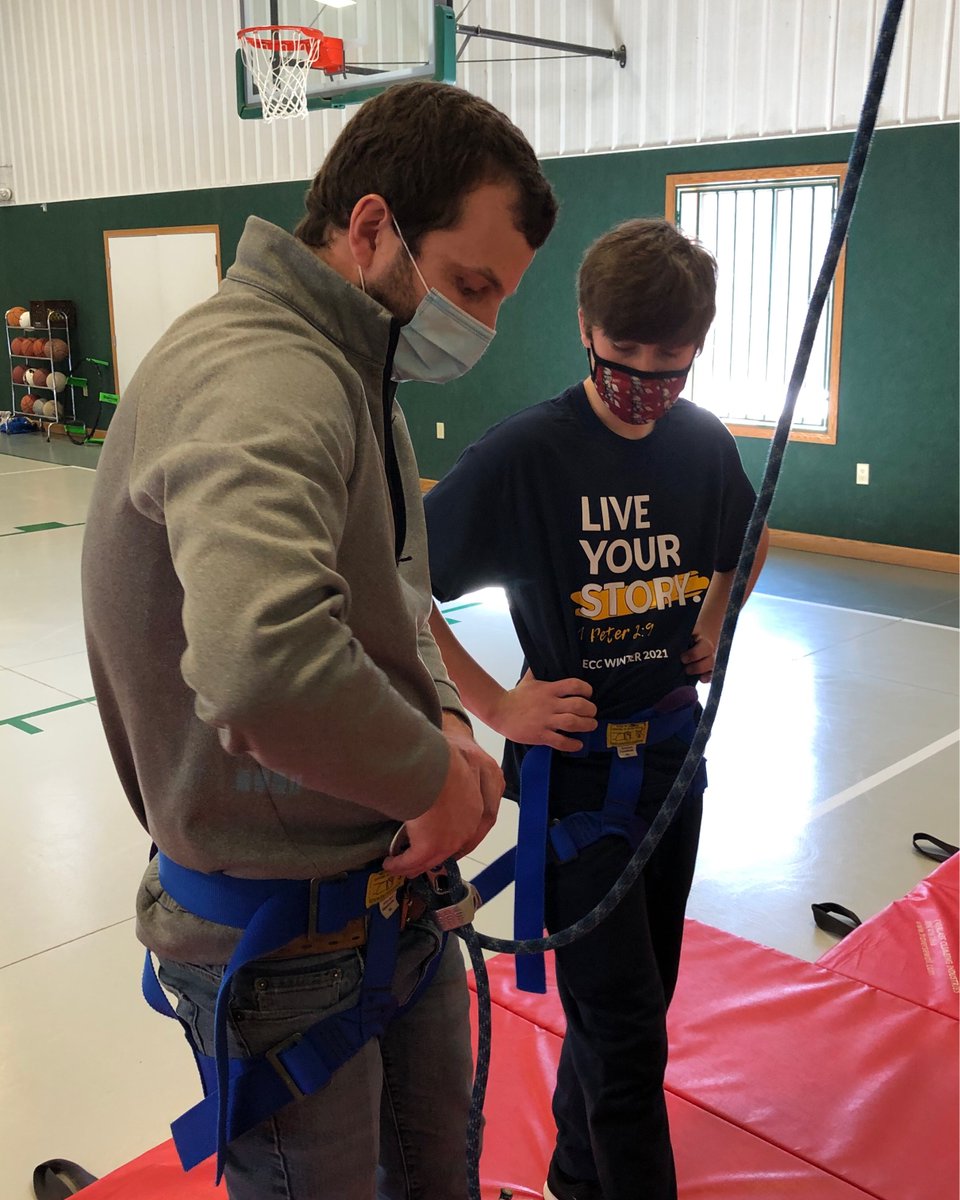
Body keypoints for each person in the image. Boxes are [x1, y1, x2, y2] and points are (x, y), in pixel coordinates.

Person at [81, 80, 557, 1200]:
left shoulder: (358, 375)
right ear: (373, 227)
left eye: (500, 298)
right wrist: (430, 770)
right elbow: (263, 661)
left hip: (387, 891)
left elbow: (396, 585)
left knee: (441, 1169)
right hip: (284, 938)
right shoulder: (263, 373)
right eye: (470, 285)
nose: (480, 324)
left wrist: (441, 712)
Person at [424, 218, 770, 1200]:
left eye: (672, 360)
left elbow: (745, 540)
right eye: (626, 355)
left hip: (673, 762)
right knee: (624, 1035)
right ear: (586, 327)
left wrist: (713, 611)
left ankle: (579, 1178)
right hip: (578, 778)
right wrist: (496, 701)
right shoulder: (530, 455)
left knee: (639, 1006)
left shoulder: (700, 444)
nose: (647, 380)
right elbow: (402, 581)